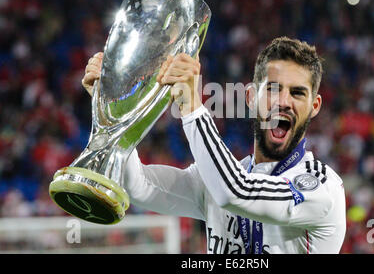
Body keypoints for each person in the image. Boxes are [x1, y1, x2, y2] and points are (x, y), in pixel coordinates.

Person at [82, 37, 346, 254]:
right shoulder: (221, 176)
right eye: (273, 89)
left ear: (314, 107)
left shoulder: (321, 187)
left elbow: (236, 192)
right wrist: (111, 109)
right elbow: (137, 184)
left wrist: (191, 106)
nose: (284, 101)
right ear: (251, 98)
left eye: (297, 93)